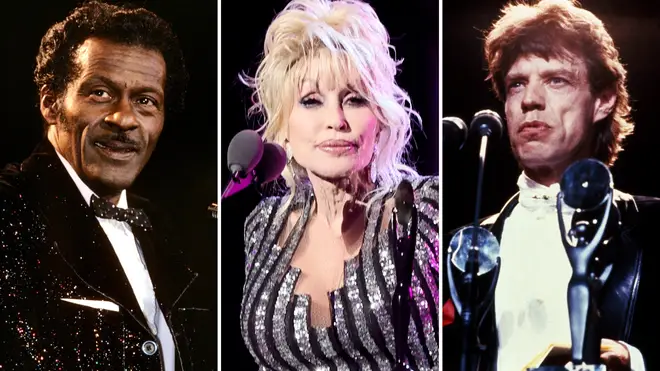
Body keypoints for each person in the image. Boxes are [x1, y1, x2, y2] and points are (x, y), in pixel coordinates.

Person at [442, 0, 660, 370]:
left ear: (603, 101)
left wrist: (631, 361)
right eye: (516, 84)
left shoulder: (652, 228)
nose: (530, 100)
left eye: (556, 80)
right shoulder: (465, 247)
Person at [0, 1, 211, 370]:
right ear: (50, 103)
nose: (124, 119)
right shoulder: (8, 210)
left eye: (145, 101)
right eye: (100, 93)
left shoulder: (176, 231)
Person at [238, 0, 439, 369]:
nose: (336, 120)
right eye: (312, 101)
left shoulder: (428, 208)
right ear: (284, 126)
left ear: (380, 116)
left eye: (354, 99)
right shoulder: (262, 226)